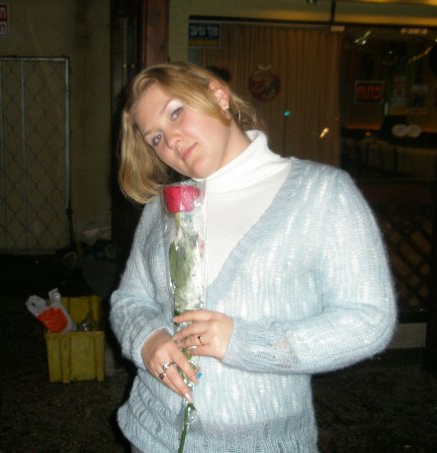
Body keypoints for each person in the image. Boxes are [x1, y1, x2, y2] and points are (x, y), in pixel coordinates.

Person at [110, 62, 396, 452]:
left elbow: (369, 320)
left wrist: (244, 342)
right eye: (155, 137)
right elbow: (129, 300)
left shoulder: (323, 194)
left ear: (218, 96)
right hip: (154, 436)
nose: (171, 140)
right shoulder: (162, 207)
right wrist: (147, 340)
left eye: (176, 112)